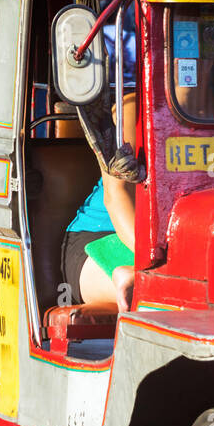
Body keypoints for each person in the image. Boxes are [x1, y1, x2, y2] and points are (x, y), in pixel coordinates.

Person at [62, 92, 143, 311]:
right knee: (163, 292)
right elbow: (116, 195)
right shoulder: (133, 108)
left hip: (179, 243)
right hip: (101, 238)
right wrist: (154, 265)